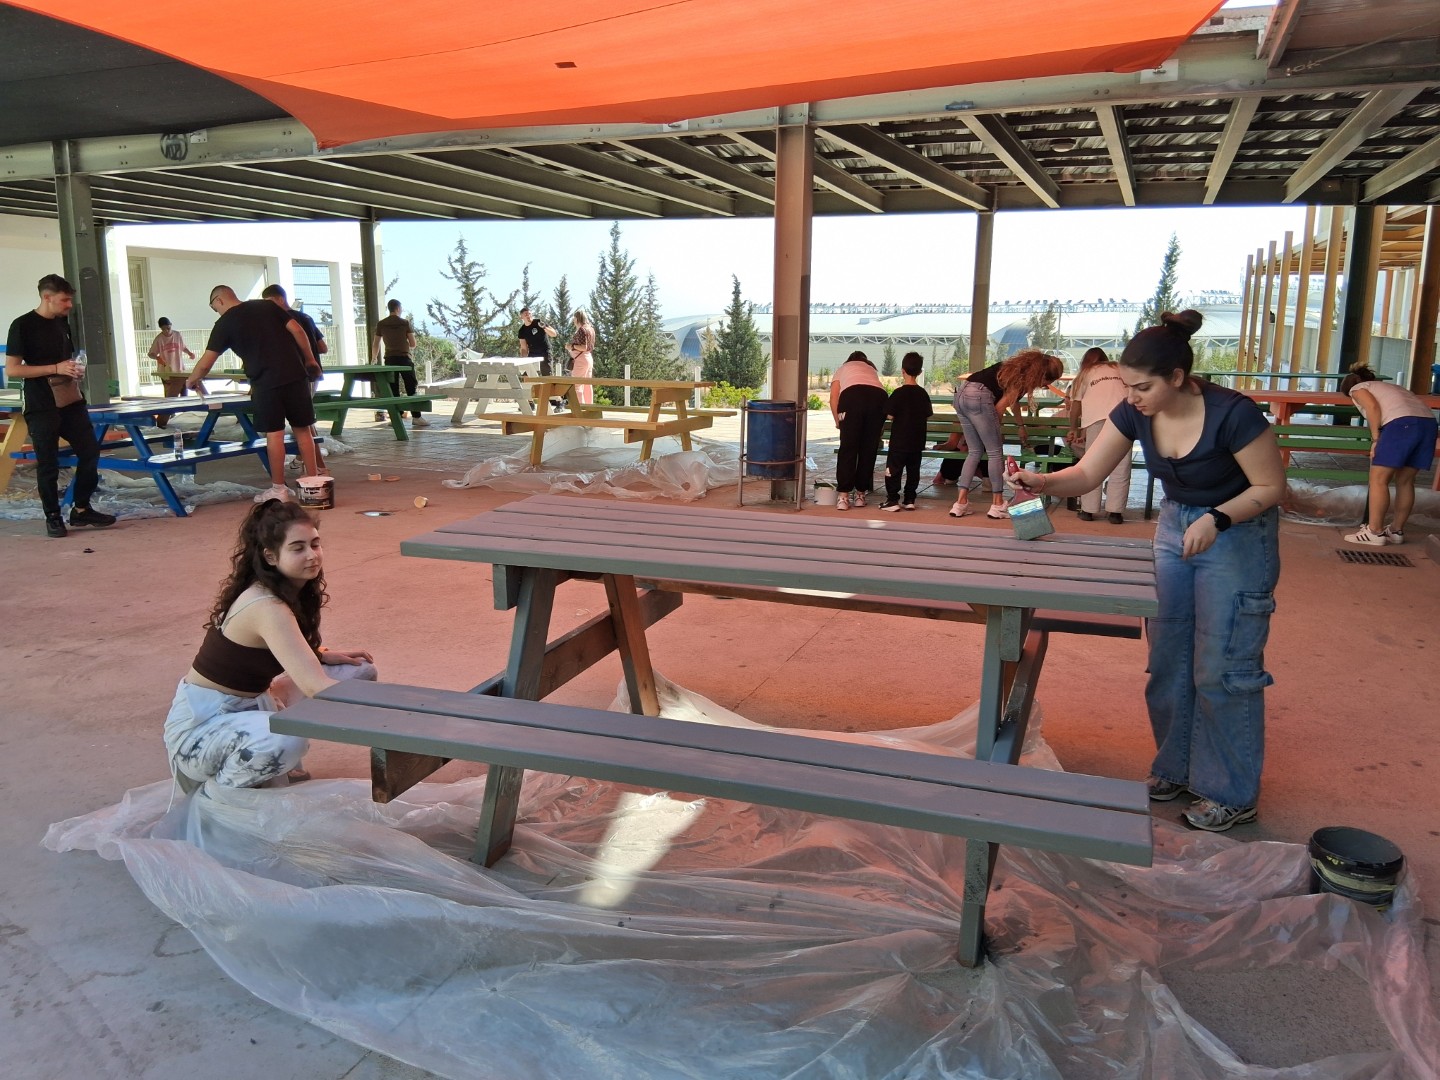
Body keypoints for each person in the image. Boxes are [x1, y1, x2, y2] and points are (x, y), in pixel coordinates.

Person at [1008, 311, 1285, 832]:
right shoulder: (1134, 412)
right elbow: (1088, 473)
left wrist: (1218, 518)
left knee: (1222, 666)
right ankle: (1176, 768)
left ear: (1177, 378)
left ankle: (1230, 791)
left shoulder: (1233, 413)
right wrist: (1041, 482)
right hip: (1175, 525)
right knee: (1168, 658)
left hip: (1237, 532)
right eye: (1128, 386)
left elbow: (1271, 487)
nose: (1131, 397)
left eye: (1142, 388)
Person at [165, 499, 375, 791]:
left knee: (359, 671)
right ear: (271, 556)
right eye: (298, 548)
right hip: (201, 731)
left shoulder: (291, 590)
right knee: (286, 740)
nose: (312, 555)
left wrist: (319, 654)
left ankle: (264, 755)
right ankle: (219, 798)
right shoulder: (266, 605)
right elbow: (315, 686)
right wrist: (397, 713)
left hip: (253, 703)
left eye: (315, 544)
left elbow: (268, 648)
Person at [4, 273, 116, 538]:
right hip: (41, 402)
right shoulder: (22, 325)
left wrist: (74, 369)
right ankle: (53, 516)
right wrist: (55, 368)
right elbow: (13, 369)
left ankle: (81, 508)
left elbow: (66, 359)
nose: (69, 305)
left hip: (69, 399)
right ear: (47, 297)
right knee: (48, 461)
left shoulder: (62, 323)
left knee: (89, 451)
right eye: (64, 300)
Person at [187, 285, 322, 502]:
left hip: (265, 381)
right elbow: (298, 330)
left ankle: (279, 489)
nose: (216, 312)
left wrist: (193, 379)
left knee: (274, 434)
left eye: (214, 308)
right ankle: (314, 484)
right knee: (303, 430)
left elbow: (206, 362)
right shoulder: (267, 306)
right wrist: (310, 360)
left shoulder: (224, 323)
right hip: (296, 375)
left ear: (219, 300)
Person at [949, 349, 1065, 520]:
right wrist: (995, 430)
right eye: (1047, 381)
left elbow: (1013, 401)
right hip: (979, 397)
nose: (1045, 386)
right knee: (995, 452)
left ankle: (960, 503)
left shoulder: (1014, 368)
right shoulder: (1022, 379)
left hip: (962, 395)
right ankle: (997, 504)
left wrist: (1020, 426)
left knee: (974, 452)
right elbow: (1000, 408)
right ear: (1041, 374)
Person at [1340, 366, 1437, 547]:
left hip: (1401, 424)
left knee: (1378, 479)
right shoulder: (1389, 387)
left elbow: (1372, 407)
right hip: (1428, 425)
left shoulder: (1357, 389)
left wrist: (1376, 439)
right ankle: (1396, 530)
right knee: (1405, 481)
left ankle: (1374, 531)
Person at [261, 285, 329, 472]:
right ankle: (310, 462)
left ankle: (318, 466)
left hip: (294, 374)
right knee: (305, 422)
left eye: (269, 303)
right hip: (312, 373)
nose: (267, 308)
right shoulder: (306, 317)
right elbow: (323, 347)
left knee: (303, 424)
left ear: (280, 299)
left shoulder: (280, 320)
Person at [1067, 347, 1132, 524]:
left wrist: (1073, 428)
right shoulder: (1119, 368)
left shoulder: (1084, 374)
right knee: (1121, 466)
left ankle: (1088, 510)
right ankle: (1115, 512)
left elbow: (1075, 407)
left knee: (1092, 464)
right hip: (1124, 418)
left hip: (1097, 420)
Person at [829, 350, 888, 510]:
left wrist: (838, 422)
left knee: (848, 448)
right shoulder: (871, 369)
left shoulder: (843, 368)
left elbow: (834, 398)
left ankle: (843, 496)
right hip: (879, 399)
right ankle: (860, 495)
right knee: (868, 449)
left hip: (852, 398)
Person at [880, 351, 934, 511]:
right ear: (920, 372)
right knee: (913, 470)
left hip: (899, 441)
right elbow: (927, 414)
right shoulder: (922, 394)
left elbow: (890, 415)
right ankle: (909, 499)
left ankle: (892, 500)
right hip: (917, 441)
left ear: (902, 370)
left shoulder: (898, 393)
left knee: (894, 470)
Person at [372, 299, 426, 426]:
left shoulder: (381, 324)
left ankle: (396, 417)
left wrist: (374, 358)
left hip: (390, 359)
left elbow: (376, 344)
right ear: (398, 308)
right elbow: (413, 344)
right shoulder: (405, 323)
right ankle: (416, 417)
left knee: (393, 388)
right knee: (411, 386)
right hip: (404, 358)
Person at [147, 316, 196, 428]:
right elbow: (151, 353)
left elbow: (183, 347)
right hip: (166, 371)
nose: (166, 331)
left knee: (183, 391)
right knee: (170, 393)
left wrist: (189, 353)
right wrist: (157, 357)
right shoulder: (159, 339)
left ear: (171, 326)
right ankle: (169, 414)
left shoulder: (177, 335)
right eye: (164, 329)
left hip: (179, 369)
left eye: (168, 328)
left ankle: (185, 414)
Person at [568, 310, 596, 405]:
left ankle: (580, 407)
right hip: (588, 358)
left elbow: (584, 347)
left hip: (580, 359)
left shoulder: (581, 329)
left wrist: (571, 346)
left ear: (577, 318)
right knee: (587, 385)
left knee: (577, 385)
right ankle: (589, 406)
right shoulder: (591, 329)